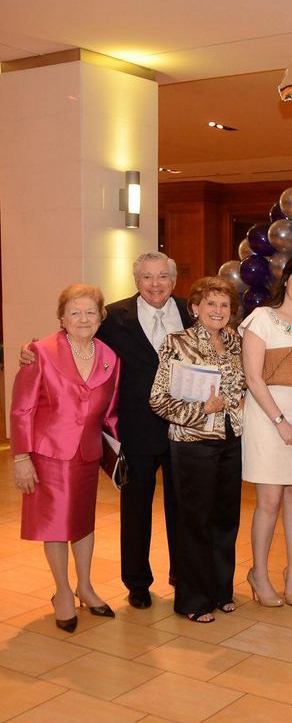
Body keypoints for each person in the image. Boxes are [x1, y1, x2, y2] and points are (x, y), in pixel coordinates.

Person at [18, 253, 193, 609]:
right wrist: (30, 351)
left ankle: (183, 576)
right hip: (135, 430)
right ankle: (138, 583)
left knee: (184, 507)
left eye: (162, 277)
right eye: (147, 277)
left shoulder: (192, 312)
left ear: (174, 281)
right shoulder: (113, 316)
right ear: (136, 280)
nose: (155, 284)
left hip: (184, 430)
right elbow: (72, 337)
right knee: (135, 511)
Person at [10, 284, 120, 632]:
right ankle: (61, 592)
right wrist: (20, 457)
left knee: (83, 522)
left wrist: (118, 457)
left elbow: (111, 414)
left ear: (101, 316)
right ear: (62, 318)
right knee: (55, 526)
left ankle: (85, 587)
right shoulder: (40, 352)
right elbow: (22, 408)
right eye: (75, 312)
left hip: (86, 454)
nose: (83, 319)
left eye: (90, 312)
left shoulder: (109, 357)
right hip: (48, 455)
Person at [149, 277, 246, 623]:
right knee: (195, 522)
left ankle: (221, 591)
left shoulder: (235, 344)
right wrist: (200, 411)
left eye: (224, 305)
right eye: (210, 304)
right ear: (194, 308)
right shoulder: (177, 342)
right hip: (193, 442)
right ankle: (192, 599)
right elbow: (158, 400)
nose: (218, 311)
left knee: (226, 520)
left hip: (230, 440)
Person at [240, 255, 292, 607]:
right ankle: (259, 573)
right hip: (267, 420)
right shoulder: (262, 318)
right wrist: (281, 423)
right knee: (270, 501)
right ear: (286, 280)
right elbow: (254, 378)